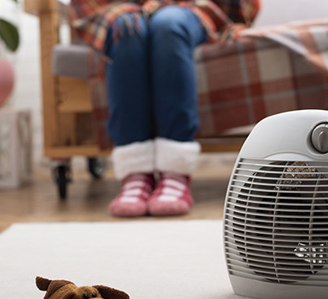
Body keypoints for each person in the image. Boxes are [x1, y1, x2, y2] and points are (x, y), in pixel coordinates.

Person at [69, 0, 261, 217]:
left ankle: (175, 174)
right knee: (125, 27)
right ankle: (136, 175)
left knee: (168, 23)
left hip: (190, 8)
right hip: (124, 8)